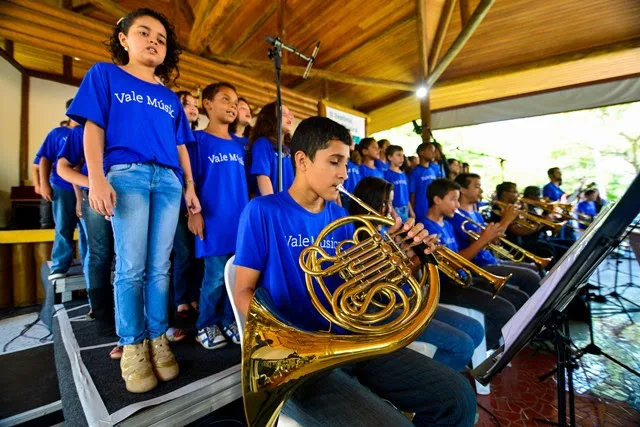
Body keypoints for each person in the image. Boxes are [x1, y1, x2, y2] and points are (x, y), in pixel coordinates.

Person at [233, 116, 476, 426]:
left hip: (351, 341)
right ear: (302, 161)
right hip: (300, 361)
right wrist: (288, 339)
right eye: (335, 162)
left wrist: (407, 260)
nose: (343, 174)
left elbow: (359, 284)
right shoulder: (263, 211)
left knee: (458, 398)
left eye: (346, 164)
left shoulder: (340, 215)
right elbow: (243, 291)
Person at [67, 8, 201, 393]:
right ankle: (132, 345)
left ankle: (157, 337)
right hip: (126, 175)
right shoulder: (104, 74)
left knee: (160, 266)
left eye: (161, 38)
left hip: (169, 181)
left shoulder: (169, 97)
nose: (154, 41)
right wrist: (95, 178)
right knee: (130, 266)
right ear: (124, 39)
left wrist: (190, 186)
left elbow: (181, 146)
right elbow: (94, 129)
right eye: (145, 33)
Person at [349, 177, 484, 372]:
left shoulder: (390, 232)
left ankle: (440, 375)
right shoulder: (358, 235)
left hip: (410, 300)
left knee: (475, 330)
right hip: (387, 309)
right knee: (461, 346)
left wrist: (417, 255)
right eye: (385, 203)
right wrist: (414, 260)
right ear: (370, 202)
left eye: (392, 203)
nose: (392, 210)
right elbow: (380, 291)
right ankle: (430, 384)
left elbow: (413, 278)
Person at [187, 82, 247, 349]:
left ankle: (228, 318)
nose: (232, 105)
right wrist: (193, 213)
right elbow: (190, 181)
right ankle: (206, 323)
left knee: (237, 275)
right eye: (225, 99)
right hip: (212, 219)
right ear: (207, 104)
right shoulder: (198, 141)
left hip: (240, 222)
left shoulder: (240, 145)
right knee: (213, 278)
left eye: (235, 101)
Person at [423, 178, 517, 348]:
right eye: (453, 199)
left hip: (461, 279)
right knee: (504, 310)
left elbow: (460, 259)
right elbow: (455, 261)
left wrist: (488, 240)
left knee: (516, 297)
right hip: (445, 286)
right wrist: (483, 240)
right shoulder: (425, 227)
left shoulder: (447, 225)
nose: (457, 205)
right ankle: (481, 354)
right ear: (437, 200)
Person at [451, 174, 541, 298]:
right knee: (530, 277)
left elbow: (493, 240)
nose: (481, 190)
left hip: (490, 259)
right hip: (479, 265)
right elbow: (485, 240)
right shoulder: (457, 216)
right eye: (477, 186)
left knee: (536, 268)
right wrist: (507, 219)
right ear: (463, 189)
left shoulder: (476, 214)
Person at [168, 91, 204, 343]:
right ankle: (180, 298)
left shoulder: (198, 138)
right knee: (181, 252)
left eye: (194, 105)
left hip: (198, 201)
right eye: (186, 104)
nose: (191, 108)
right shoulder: (172, 135)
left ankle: (192, 295)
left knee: (194, 252)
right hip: (177, 201)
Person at [36, 101, 81, 280]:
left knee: (86, 230)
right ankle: (60, 265)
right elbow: (44, 159)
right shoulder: (58, 133)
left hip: (86, 188)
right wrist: (43, 183)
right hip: (62, 186)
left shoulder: (90, 131)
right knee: (63, 225)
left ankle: (88, 264)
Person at [249, 101, 295, 195]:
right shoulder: (262, 144)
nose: (289, 117)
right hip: (275, 205)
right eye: (283, 114)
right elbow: (262, 177)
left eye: (289, 114)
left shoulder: (290, 148)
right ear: (270, 118)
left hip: (291, 205)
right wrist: (272, 206)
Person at [384, 145, 415, 222]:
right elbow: (386, 196)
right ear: (389, 157)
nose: (402, 158)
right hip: (394, 209)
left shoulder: (404, 175)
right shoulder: (386, 174)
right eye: (398, 155)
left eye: (402, 155)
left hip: (405, 208)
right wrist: (394, 213)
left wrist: (411, 211)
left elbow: (406, 195)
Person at [409, 142, 438, 223]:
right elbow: (412, 194)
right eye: (431, 151)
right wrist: (412, 212)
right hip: (420, 211)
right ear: (421, 153)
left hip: (432, 208)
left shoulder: (432, 170)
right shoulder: (415, 172)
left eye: (434, 151)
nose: (433, 153)